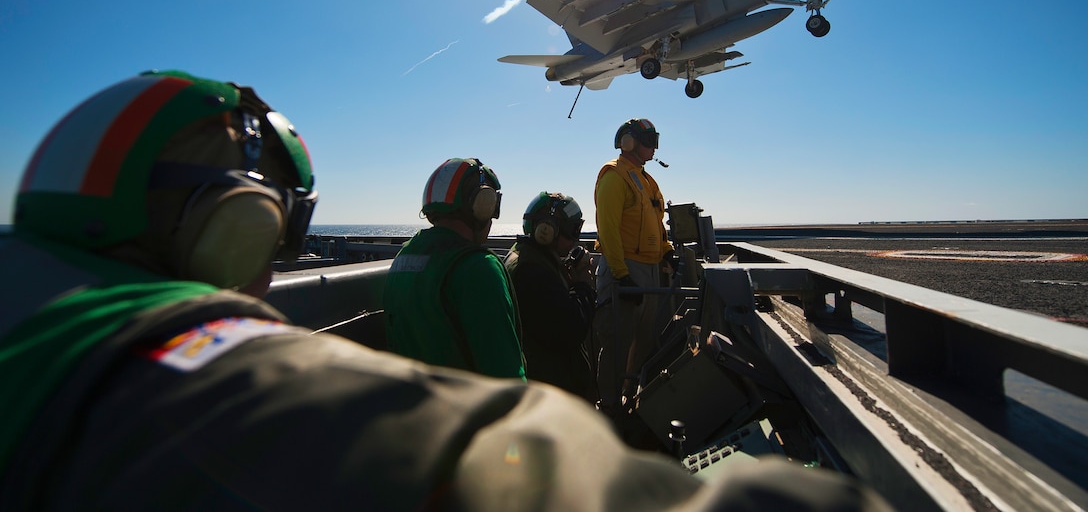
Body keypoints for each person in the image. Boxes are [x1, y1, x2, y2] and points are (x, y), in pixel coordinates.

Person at [0, 71, 892, 511]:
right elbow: (497, 410)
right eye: (272, 232)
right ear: (221, 228)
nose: (272, 266)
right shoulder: (173, 379)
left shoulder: (409, 261)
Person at [383, 157, 525, 380]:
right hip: (469, 411)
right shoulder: (479, 268)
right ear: (483, 205)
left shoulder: (404, 257)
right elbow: (506, 378)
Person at [593, 118, 678, 421]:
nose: (654, 146)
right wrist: (619, 273)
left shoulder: (646, 180)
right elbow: (608, 229)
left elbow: (658, 223)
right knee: (617, 343)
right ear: (628, 142)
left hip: (649, 271)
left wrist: (667, 253)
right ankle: (610, 406)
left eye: (655, 140)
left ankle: (630, 399)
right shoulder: (615, 176)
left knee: (644, 341)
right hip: (625, 271)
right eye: (648, 140)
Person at [504, 192, 596, 401]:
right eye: (573, 231)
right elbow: (571, 329)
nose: (575, 240)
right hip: (548, 389)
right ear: (548, 231)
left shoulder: (524, 256)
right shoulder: (533, 272)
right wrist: (583, 285)